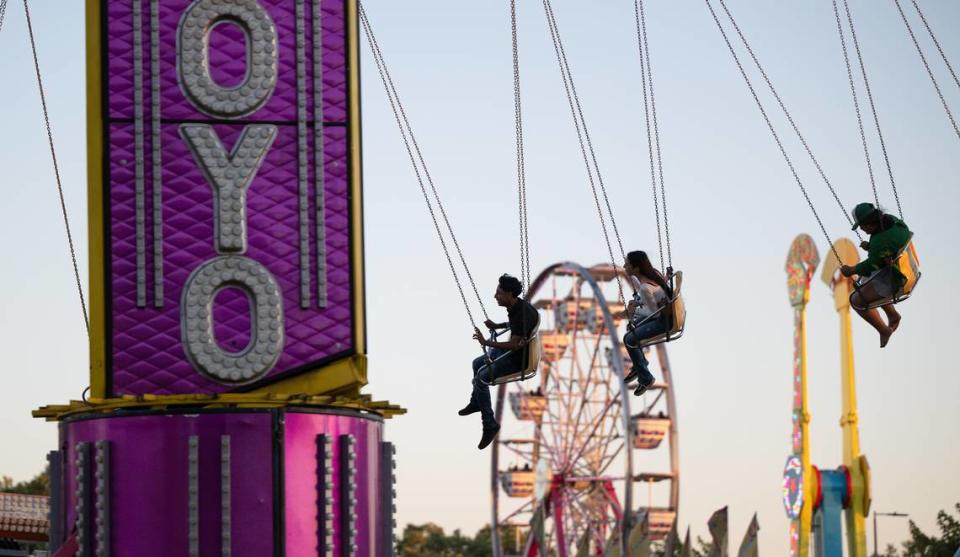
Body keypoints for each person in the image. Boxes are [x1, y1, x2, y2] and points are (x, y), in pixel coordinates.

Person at [459, 274, 540, 450]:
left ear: (509, 294)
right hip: (516, 352)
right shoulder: (517, 307)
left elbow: (514, 345)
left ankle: (489, 424)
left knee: (481, 378)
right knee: (476, 363)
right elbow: (516, 326)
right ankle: (476, 402)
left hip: (517, 360)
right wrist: (497, 326)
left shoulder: (520, 313)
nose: (495, 296)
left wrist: (486, 342)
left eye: (499, 293)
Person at [840, 202, 912, 348]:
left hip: (894, 277)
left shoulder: (880, 242)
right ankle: (893, 315)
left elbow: (870, 265)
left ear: (870, 223)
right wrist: (871, 247)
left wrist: (851, 270)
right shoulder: (892, 221)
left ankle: (884, 330)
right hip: (907, 267)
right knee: (866, 283)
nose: (861, 229)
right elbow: (887, 247)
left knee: (856, 300)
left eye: (862, 226)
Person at [620, 251, 672, 396]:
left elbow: (655, 313)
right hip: (668, 315)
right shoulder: (654, 275)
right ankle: (640, 365)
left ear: (636, 268)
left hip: (664, 321)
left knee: (629, 339)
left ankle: (646, 377)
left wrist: (634, 310)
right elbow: (658, 295)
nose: (624, 266)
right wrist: (638, 305)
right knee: (632, 326)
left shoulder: (644, 287)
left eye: (627, 264)